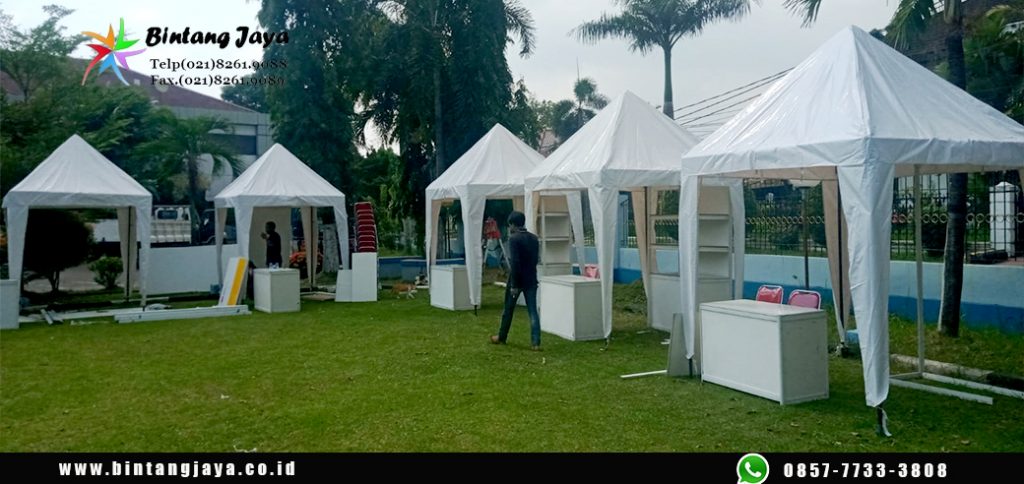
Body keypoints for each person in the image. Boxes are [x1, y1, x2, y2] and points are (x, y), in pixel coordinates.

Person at [491, 211, 541, 351]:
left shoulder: (514, 239)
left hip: (517, 279)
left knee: (508, 309)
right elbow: (536, 259)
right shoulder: (534, 238)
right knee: (532, 311)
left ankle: (502, 336)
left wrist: (514, 284)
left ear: (512, 224)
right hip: (531, 279)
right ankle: (535, 342)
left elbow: (516, 263)